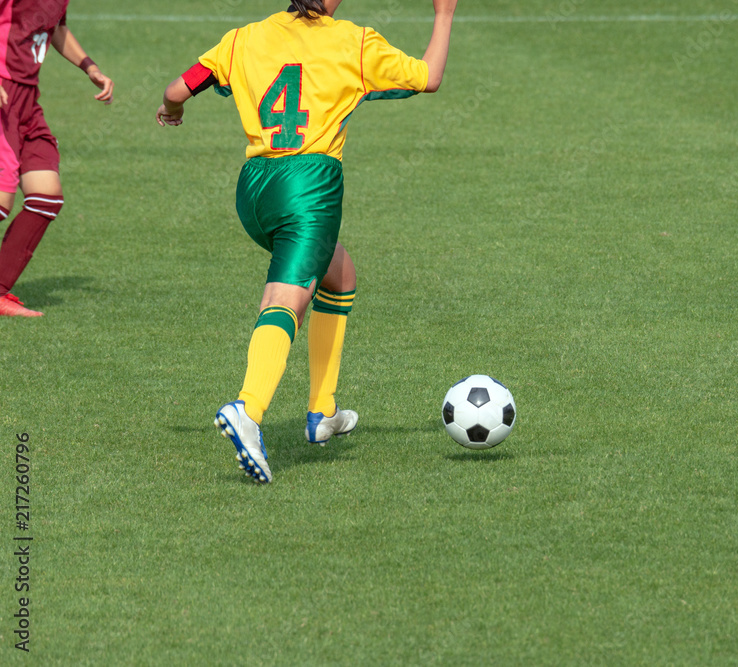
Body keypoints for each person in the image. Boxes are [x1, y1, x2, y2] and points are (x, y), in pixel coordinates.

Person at [156, 0, 458, 483]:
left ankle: (323, 412)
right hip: (308, 186)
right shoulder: (355, 41)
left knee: (339, 273)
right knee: (286, 301)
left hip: (254, 190)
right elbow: (430, 75)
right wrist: (444, 13)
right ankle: (248, 409)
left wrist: (171, 109)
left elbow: (179, 87)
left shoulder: (242, 38)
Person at [0, 0, 114, 317]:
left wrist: (90, 67)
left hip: (26, 102)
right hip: (3, 96)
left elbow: (57, 29)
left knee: (46, 197)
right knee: (1, 202)